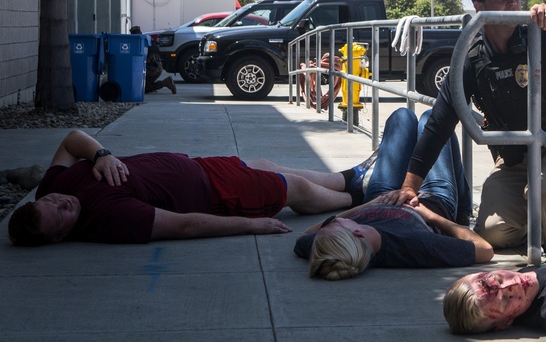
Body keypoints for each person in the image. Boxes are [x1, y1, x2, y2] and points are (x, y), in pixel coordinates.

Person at [381, 0, 546, 256]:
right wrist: (409, 186)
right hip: (517, 159)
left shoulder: (541, 33)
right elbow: (440, 123)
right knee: (493, 232)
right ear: (479, 7)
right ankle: (536, 222)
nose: (513, 2)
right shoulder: (473, 59)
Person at [7, 129, 372, 245]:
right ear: (58, 237)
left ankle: (348, 176)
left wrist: (101, 154)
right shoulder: (108, 220)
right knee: (290, 188)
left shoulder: (52, 186)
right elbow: (183, 225)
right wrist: (250, 224)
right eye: (59, 214)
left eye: (52, 201)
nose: (61, 202)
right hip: (214, 194)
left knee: (266, 166)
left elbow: (72, 139)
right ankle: (357, 195)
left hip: (198, 167)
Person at [294, 107, 491, 280]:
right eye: (336, 223)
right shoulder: (415, 246)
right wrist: (429, 215)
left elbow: (303, 237)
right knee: (432, 119)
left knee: (401, 117)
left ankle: (458, 203)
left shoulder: (332, 247)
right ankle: (462, 207)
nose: (334, 219)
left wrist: (366, 206)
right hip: (432, 200)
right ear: (357, 232)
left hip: (379, 197)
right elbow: (484, 250)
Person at [130, 26, 176, 94]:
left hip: (153, 68)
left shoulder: (141, 42)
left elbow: (148, 60)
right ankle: (152, 84)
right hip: (156, 67)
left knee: (143, 88)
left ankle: (165, 83)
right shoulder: (147, 40)